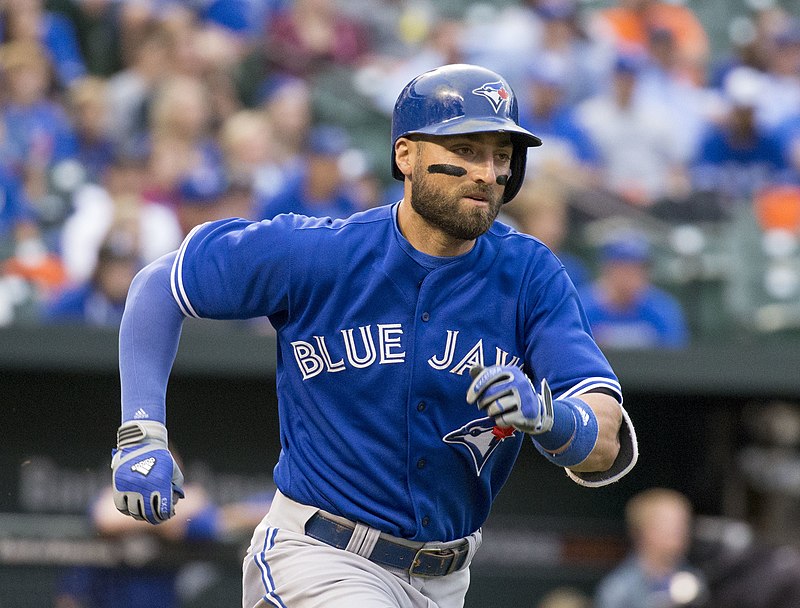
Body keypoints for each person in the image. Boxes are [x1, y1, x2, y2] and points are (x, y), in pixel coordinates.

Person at [109, 63, 637, 608]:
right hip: (320, 557)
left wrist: (553, 418)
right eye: (466, 149)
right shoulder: (322, 252)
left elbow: (604, 440)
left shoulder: (531, 275)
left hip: (447, 579)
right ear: (406, 155)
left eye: (500, 155)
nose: (486, 171)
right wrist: (141, 432)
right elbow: (158, 287)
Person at [594, 487, 707, 608]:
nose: (680, 532)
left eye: (683, 524)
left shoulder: (696, 580)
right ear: (642, 531)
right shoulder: (618, 589)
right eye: (668, 525)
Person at [578, 230, 689, 349]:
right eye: (623, 268)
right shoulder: (582, 307)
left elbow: (675, 356)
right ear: (607, 269)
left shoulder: (663, 308)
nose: (631, 276)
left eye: (638, 268)